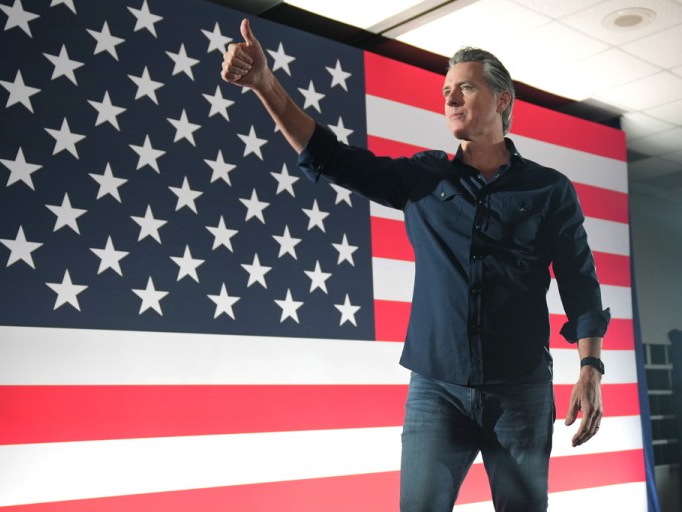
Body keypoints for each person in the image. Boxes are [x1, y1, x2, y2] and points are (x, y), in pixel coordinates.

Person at [221, 18, 610, 512]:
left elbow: (580, 284)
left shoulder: (549, 189)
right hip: (436, 391)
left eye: (464, 88)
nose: (449, 99)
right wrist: (265, 86)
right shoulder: (423, 178)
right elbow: (331, 158)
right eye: (446, 90)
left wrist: (590, 368)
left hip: (521, 391)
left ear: (503, 100)